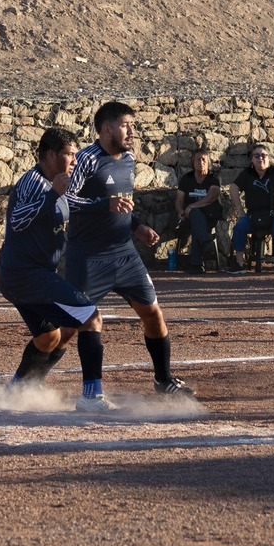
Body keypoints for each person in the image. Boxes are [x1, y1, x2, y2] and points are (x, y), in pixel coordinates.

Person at [62, 102, 191, 409]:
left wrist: (137, 227)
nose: (131, 131)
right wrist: (101, 205)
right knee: (77, 326)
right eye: (124, 125)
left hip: (124, 253)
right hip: (88, 256)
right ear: (106, 129)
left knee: (152, 313)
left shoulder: (130, 158)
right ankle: (74, 391)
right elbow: (66, 200)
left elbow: (121, 203)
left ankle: (164, 380)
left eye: (132, 124)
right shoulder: (86, 160)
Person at [0, 128, 100, 390]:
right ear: (51, 154)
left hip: (30, 275)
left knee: (51, 336)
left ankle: (20, 389)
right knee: (89, 317)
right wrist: (53, 194)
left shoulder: (56, 183)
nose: (75, 161)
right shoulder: (34, 183)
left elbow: (73, 205)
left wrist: (110, 207)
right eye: (70, 154)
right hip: (26, 275)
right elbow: (18, 220)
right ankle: (92, 396)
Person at [231, 147, 274, 270]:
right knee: (239, 227)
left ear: (268, 157)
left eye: (264, 155)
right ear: (252, 159)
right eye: (257, 155)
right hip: (253, 215)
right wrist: (240, 211)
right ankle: (239, 264)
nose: (261, 158)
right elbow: (233, 187)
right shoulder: (247, 173)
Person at [171, 149, 225, 273]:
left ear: (208, 163)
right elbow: (179, 199)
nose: (201, 162)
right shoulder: (187, 178)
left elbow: (212, 197)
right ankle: (205, 245)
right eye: (198, 159)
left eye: (204, 159)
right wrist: (180, 211)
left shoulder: (214, 178)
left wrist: (191, 207)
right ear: (192, 162)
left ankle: (196, 265)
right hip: (188, 218)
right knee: (196, 220)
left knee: (196, 218)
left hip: (210, 216)